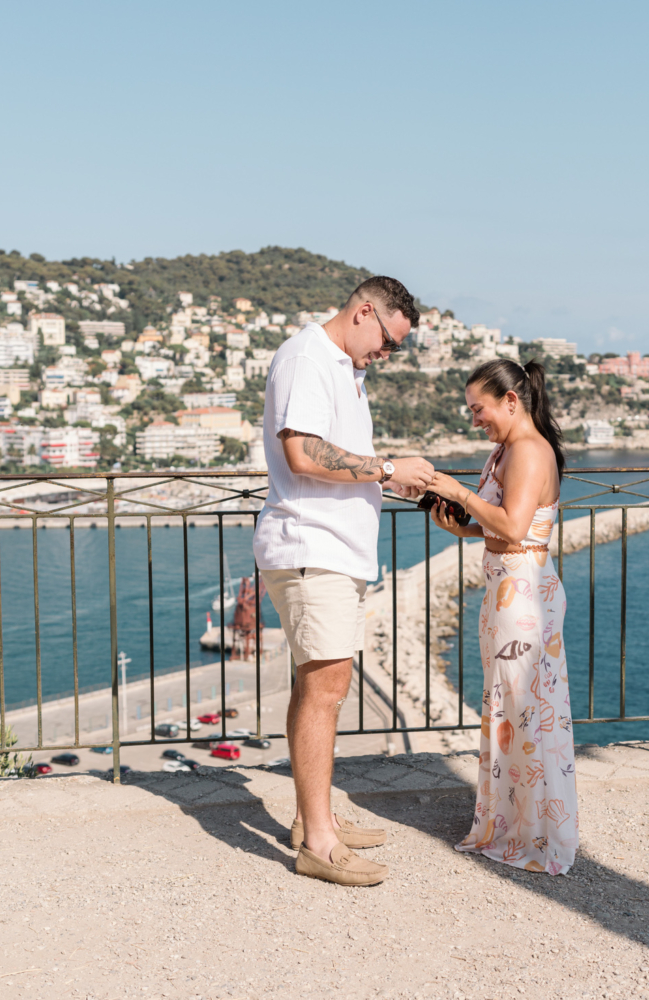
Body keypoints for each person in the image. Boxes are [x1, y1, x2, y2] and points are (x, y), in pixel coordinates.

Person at [253, 276, 436, 886]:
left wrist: (386, 478)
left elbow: (332, 458)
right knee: (327, 692)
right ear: (364, 313)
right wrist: (387, 467)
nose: (386, 356)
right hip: (314, 547)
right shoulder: (310, 357)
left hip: (332, 551)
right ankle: (320, 845)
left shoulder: (341, 367)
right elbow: (303, 452)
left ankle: (313, 821)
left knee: (315, 689)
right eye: (388, 341)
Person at [425, 359, 578, 874]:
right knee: (513, 710)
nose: (475, 420)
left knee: (527, 712)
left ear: (511, 401)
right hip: (507, 592)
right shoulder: (507, 451)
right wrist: (461, 529)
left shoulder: (530, 452)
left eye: (479, 409)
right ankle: (515, 822)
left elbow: (514, 528)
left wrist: (458, 491)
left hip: (525, 597)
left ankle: (535, 833)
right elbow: (510, 529)